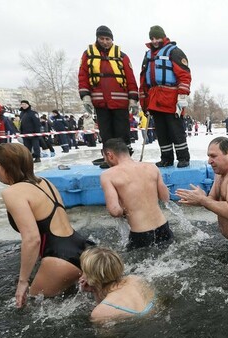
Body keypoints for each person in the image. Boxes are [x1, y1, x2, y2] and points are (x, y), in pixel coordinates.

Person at [0, 143, 93, 308]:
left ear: (7, 167)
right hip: (84, 248)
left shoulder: (12, 192)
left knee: (30, 308)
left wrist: (23, 281)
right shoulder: (45, 182)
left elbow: (32, 239)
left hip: (59, 259)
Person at [78, 25, 139, 168]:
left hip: (120, 102)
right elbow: (83, 76)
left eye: (108, 39)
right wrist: (85, 96)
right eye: (102, 39)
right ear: (97, 38)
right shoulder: (88, 55)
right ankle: (108, 158)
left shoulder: (122, 56)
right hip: (100, 102)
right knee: (106, 133)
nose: (105, 42)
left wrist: (133, 99)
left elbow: (130, 78)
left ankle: (125, 158)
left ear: (112, 40)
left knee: (122, 132)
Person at [100, 138, 173, 250]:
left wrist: (124, 209)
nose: (106, 162)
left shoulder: (108, 175)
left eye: (105, 159)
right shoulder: (152, 167)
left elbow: (114, 211)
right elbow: (165, 197)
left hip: (140, 234)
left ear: (110, 155)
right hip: (164, 228)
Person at [139, 25, 191, 168]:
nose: (155, 41)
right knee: (161, 132)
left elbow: (184, 75)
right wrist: (143, 101)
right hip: (154, 98)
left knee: (176, 130)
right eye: (152, 38)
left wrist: (182, 97)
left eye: (157, 37)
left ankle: (183, 157)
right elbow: (143, 79)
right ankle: (166, 158)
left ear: (163, 36)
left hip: (171, 98)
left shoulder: (174, 52)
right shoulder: (148, 56)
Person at [79, 246, 155, 322]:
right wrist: (94, 290)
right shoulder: (135, 279)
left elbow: (108, 333)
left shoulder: (99, 313)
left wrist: (94, 288)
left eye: (84, 270)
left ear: (91, 277)